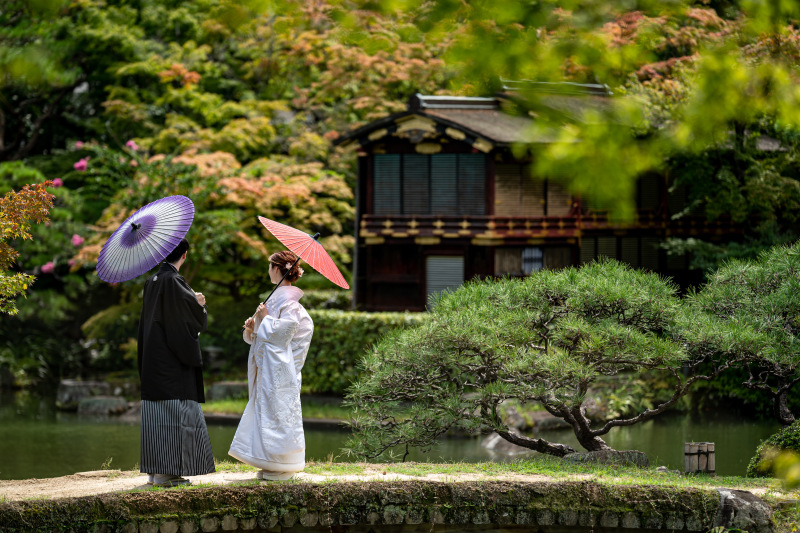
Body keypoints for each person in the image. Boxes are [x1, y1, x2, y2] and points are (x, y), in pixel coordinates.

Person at [228, 250, 314, 480]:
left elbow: (283, 333)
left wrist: (265, 319)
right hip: (268, 367)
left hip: (279, 369)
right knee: (265, 412)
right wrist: (252, 327)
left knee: (279, 414)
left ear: (277, 269)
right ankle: (268, 462)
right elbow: (264, 335)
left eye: (269, 267)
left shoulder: (290, 304)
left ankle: (283, 465)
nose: (268, 271)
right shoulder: (277, 299)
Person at [137, 238, 215, 487]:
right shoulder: (174, 281)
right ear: (184, 255)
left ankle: (155, 471)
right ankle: (167, 473)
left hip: (153, 359)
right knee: (175, 413)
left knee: (156, 415)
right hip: (171, 362)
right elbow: (184, 322)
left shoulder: (152, 280)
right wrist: (199, 305)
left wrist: (191, 301)